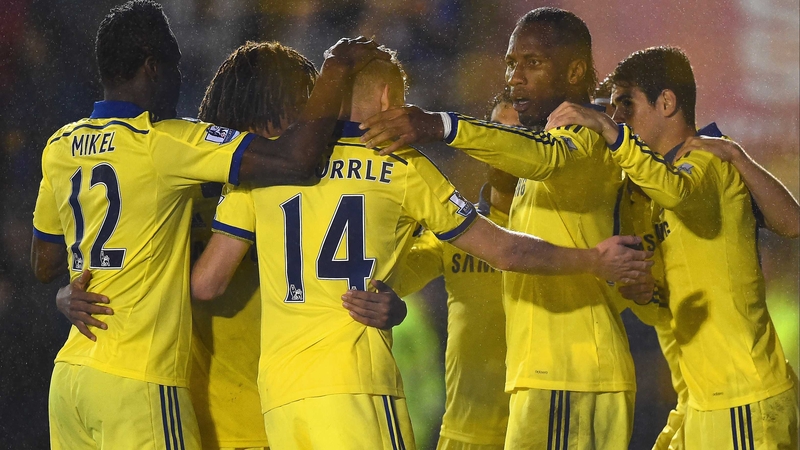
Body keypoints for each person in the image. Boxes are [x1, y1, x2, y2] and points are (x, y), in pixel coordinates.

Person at [191, 45, 651, 449]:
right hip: (359, 388)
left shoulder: (269, 165)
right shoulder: (401, 166)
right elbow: (505, 251)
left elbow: (207, 283)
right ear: (390, 99)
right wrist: (594, 258)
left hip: (280, 398)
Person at [31, 0, 390, 447]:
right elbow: (296, 161)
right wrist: (337, 67)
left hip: (105, 386)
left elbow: (48, 262)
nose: (314, 127)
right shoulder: (183, 154)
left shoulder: (70, 147)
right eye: (304, 110)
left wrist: (70, 291)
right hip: (231, 415)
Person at [359, 7, 643, 448]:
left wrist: (441, 124)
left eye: (531, 63)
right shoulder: (477, 225)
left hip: (572, 375)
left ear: (574, 70)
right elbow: (399, 276)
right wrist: (386, 301)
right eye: (511, 64)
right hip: (514, 400)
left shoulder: (584, 139)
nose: (515, 77)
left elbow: (543, 156)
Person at [546, 45, 799, 449]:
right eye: (613, 110)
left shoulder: (709, 159)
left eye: (626, 104)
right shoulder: (644, 192)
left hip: (742, 399)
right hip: (698, 401)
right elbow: (667, 302)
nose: (618, 119)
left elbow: (681, 193)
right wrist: (644, 293)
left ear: (666, 102)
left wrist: (612, 134)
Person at [373, 92, 520, 450]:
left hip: (538, 427)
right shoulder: (457, 232)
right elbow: (393, 278)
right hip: (465, 432)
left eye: (518, 134)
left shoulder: (561, 233)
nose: (504, 146)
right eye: (496, 131)